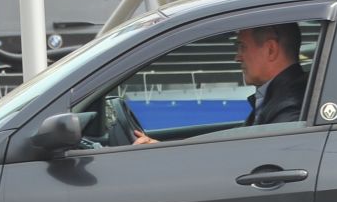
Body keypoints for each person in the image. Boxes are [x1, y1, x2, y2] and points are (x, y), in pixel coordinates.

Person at [128, 22, 308, 146]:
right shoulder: (278, 98)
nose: (237, 57)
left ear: (271, 49)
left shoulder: (290, 107)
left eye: (242, 47)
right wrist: (162, 149)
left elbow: (252, 159)